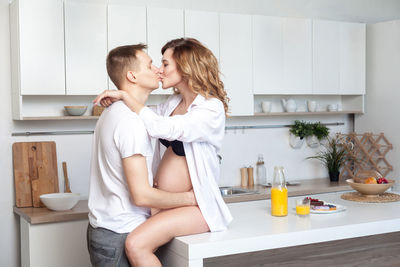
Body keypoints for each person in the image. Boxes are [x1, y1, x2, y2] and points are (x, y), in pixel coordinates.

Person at [93, 38, 233, 267]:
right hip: (169, 206)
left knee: (135, 244)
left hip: (197, 206)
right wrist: (123, 99)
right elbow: (148, 116)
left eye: (165, 64)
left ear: (185, 67)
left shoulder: (210, 108)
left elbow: (163, 127)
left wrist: (125, 96)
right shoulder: (173, 102)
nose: (160, 70)